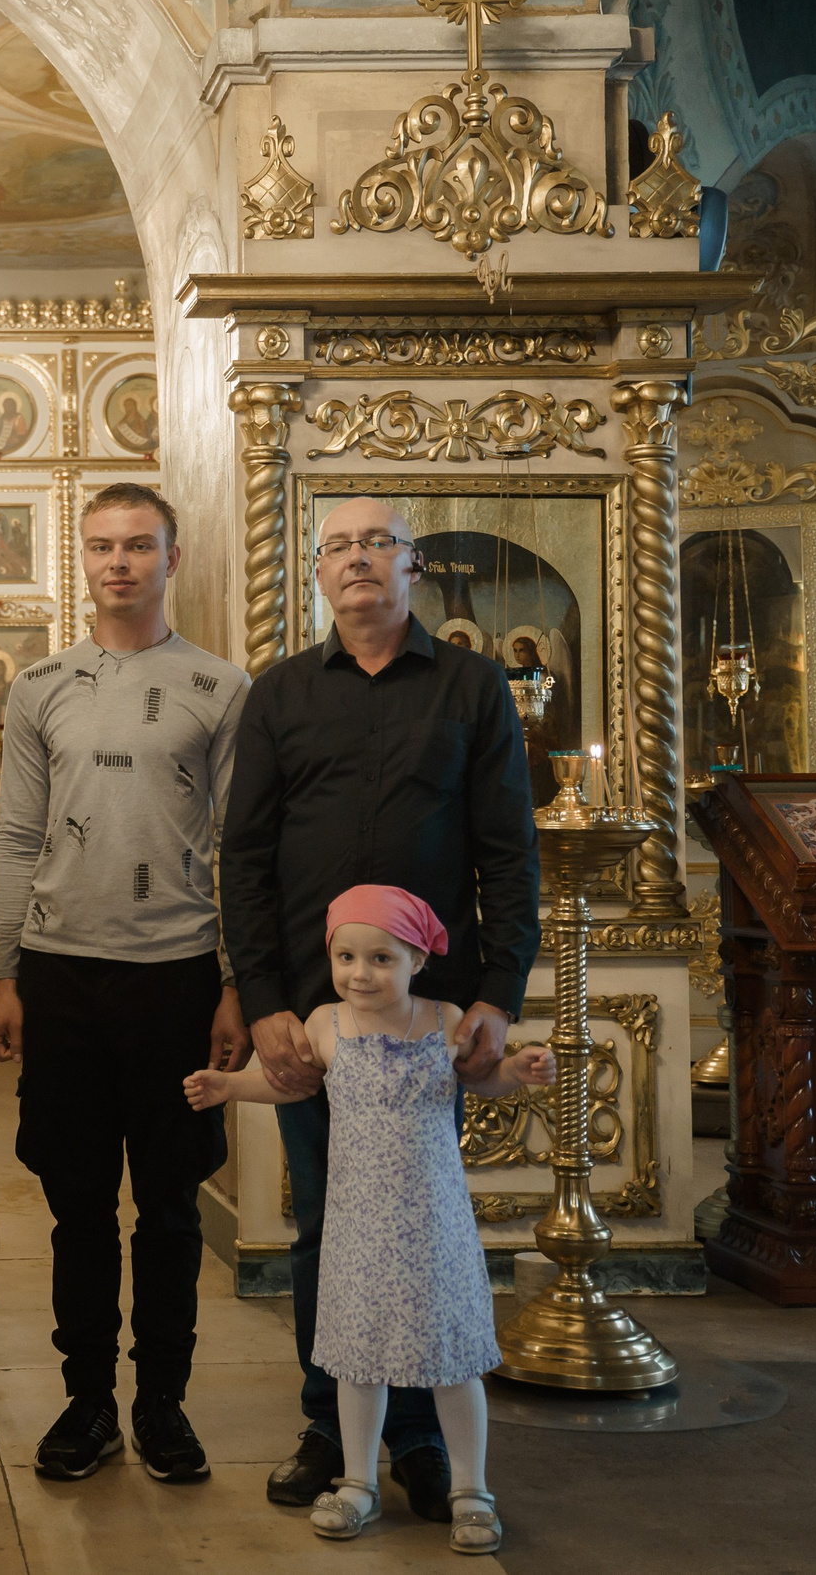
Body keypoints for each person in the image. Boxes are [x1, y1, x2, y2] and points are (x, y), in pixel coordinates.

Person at [220, 496, 540, 1524]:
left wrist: (497, 992)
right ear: (317, 573)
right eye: (339, 546)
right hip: (316, 1015)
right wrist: (264, 999)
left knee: (418, 1223)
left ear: (412, 567)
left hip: (425, 1020)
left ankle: (414, 1437)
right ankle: (333, 1426)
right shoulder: (277, 695)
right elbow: (246, 859)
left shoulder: (469, 685)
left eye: (377, 544)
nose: (357, 560)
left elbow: (506, 851)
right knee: (325, 1219)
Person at [0, 483, 250, 1485]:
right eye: (102, 547)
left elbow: (234, 845)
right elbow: (16, 837)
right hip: (61, 979)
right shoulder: (40, 685)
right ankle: (87, 1400)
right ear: (81, 559)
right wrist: (7, 972)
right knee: (77, 1205)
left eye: (139, 546)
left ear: (170, 559)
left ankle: (163, 1406)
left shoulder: (222, 690)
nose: (119, 564)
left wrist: (231, 982)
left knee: (173, 1208)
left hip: (176, 978)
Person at [184, 886, 552, 1556]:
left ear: (417, 956)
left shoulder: (445, 1020)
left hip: (434, 1224)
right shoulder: (325, 1024)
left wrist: (516, 1070)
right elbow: (289, 1082)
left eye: (380, 956)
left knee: (451, 1357)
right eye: (346, 955)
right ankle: (358, 1481)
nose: (360, 972)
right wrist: (230, 1086)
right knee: (358, 1358)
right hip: (358, 1227)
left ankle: (471, 1488)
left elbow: (482, 1077)